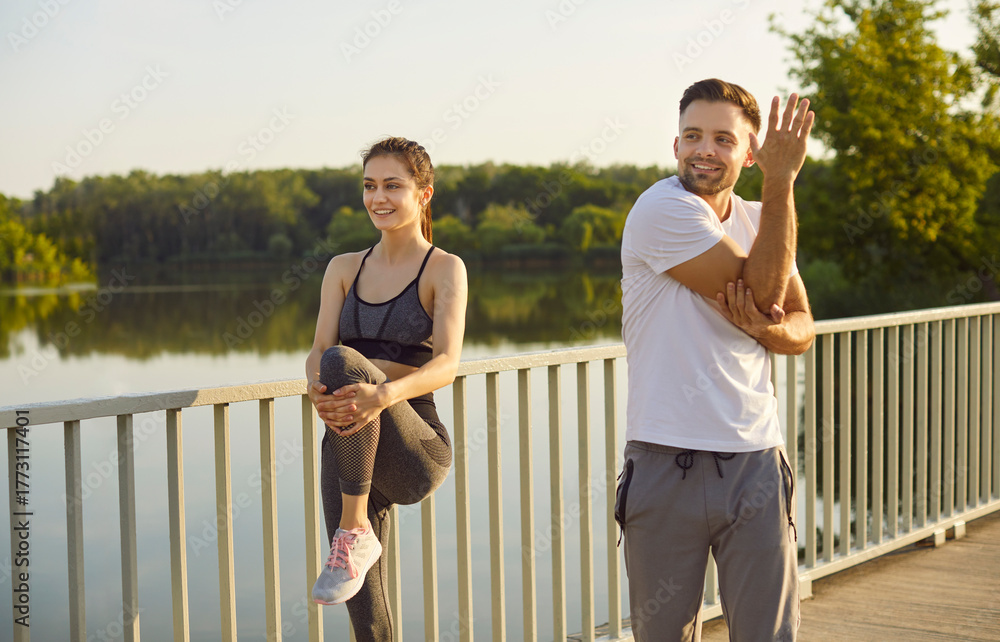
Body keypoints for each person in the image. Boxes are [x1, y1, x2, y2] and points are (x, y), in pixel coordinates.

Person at [615, 78, 816, 641]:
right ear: (675, 146)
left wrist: (766, 328)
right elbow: (761, 290)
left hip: (754, 461)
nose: (705, 148)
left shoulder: (761, 220)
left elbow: (801, 327)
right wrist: (782, 179)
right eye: (693, 135)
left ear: (749, 153)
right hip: (664, 460)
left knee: (767, 634)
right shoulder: (660, 208)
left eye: (724, 139)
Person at [305, 136, 468, 640]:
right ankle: (354, 535)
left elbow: (446, 363)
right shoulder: (343, 268)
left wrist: (382, 392)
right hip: (351, 441)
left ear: (423, 194)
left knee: (343, 361)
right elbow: (317, 352)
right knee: (364, 610)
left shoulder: (443, 268)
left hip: (415, 446)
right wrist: (316, 387)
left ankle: (353, 529)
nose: (378, 197)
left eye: (392, 185)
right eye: (369, 185)